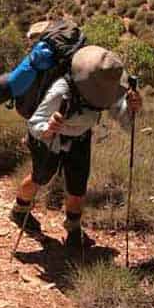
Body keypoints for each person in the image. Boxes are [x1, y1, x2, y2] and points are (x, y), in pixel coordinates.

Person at [9, 44, 143, 250]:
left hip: (80, 137)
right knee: (41, 177)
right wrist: (49, 128)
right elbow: (35, 123)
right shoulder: (62, 89)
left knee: (78, 187)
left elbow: (124, 120)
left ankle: (73, 228)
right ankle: (20, 209)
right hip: (48, 138)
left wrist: (132, 109)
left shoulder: (109, 88)